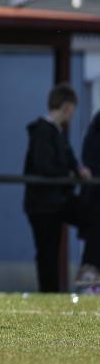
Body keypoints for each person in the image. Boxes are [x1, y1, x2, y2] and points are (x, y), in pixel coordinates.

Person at [24, 83, 91, 292]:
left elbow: (69, 157)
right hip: (43, 205)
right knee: (47, 252)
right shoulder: (43, 132)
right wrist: (70, 174)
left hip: (58, 200)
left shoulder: (58, 132)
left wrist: (79, 169)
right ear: (67, 107)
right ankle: (49, 293)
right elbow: (45, 166)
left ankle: (89, 272)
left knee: (92, 216)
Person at [76, 109, 100, 290]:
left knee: (92, 250)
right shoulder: (95, 133)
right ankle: (90, 285)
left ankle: (89, 284)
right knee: (93, 250)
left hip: (93, 200)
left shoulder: (93, 130)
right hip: (96, 201)